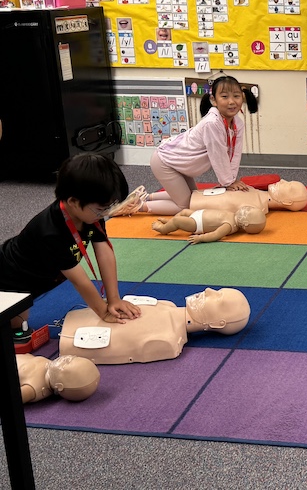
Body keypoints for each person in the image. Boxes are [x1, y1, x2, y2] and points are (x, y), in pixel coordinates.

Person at [0, 154, 142, 340]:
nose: (105, 214)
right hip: (11, 277)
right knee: (16, 328)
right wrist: (103, 311)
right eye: (101, 209)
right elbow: (79, 280)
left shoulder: (90, 215)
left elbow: (104, 251)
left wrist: (114, 298)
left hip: (46, 275)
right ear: (73, 202)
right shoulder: (50, 231)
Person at [124, 76, 258, 216]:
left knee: (195, 197)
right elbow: (218, 155)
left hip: (181, 163)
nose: (231, 102)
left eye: (236, 96)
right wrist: (228, 182)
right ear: (214, 100)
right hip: (166, 162)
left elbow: (235, 153)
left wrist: (232, 180)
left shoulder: (238, 123)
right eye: (224, 96)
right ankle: (137, 207)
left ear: (242, 98)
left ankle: (146, 197)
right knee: (187, 206)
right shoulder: (212, 123)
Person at [59, 287, 250, 364]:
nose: (208, 291)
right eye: (217, 291)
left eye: (218, 299)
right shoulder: (167, 305)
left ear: (219, 323)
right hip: (80, 319)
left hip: (74, 341)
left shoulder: (169, 341)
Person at [137, 179, 307, 216]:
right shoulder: (257, 193)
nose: (284, 182)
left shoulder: (258, 209)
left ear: (287, 202)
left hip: (208, 206)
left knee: (185, 204)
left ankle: (140, 206)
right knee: (189, 196)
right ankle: (148, 197)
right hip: (210, 195)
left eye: (290, 187)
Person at [151, 205, 266, 243]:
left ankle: (163, 229)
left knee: (178, 221)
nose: (245, 208)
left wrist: (201, 238)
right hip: (198, 214)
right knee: (184, 212)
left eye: (247, 211)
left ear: (245, 223)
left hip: (197, 223)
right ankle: (169, 223)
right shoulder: (233, 216)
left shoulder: (229, 225)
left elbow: (216, 234)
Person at [17, 354, 100, 404]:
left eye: (66, 363)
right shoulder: (51, 367)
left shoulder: (35, 388)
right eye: (72, 357)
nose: (65, 358)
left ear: (59, 386)